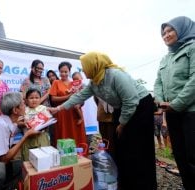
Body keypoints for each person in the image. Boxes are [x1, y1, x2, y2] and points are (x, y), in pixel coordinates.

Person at [49, 52, 157, 190]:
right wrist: (58, 109)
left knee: (138, 148)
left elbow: (131, 101)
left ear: (94, 65)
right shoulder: (94, 82)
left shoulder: (116, 76)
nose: (83, 70)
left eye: (85, 66)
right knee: (122, 148)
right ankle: (125, 182)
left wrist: (122, 124)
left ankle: (143, 184)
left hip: (140, 108)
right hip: (123, 108)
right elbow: (79, 96)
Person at [154, 16, 195, 190]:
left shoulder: (192, 48)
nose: (166, 35)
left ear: (182, 29)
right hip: (171, 112)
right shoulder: (166, 58)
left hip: (191, 112)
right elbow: (158, 83)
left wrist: (176, 103)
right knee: (179, 155)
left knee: (193, 156)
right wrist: (160, 102)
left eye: (170, 30)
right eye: (163, 33)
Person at [49, 61, 87, 146]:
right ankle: (64, 155)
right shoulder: (56, 82)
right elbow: (53, 99)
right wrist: (68, 97)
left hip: (74, 113)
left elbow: (81, 95)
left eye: (66, 72)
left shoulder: (74, 83)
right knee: (64, 134)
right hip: (62, 113)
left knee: (76, 134)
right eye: (61, 71)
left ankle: (80, 153)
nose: (63, 74)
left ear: (69, 71)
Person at [21, 88, 51, 161]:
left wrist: (45, 123)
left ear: (40, 99)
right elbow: (18, 122)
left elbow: (49, 120)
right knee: (29, 159)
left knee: (44, 158)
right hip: (28, 138)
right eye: (31, 98)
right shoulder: (24, 110)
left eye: (37, 98)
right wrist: (23, 123)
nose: (34, 100)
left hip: (41, 137)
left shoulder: (43, 108)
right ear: (26, 100)